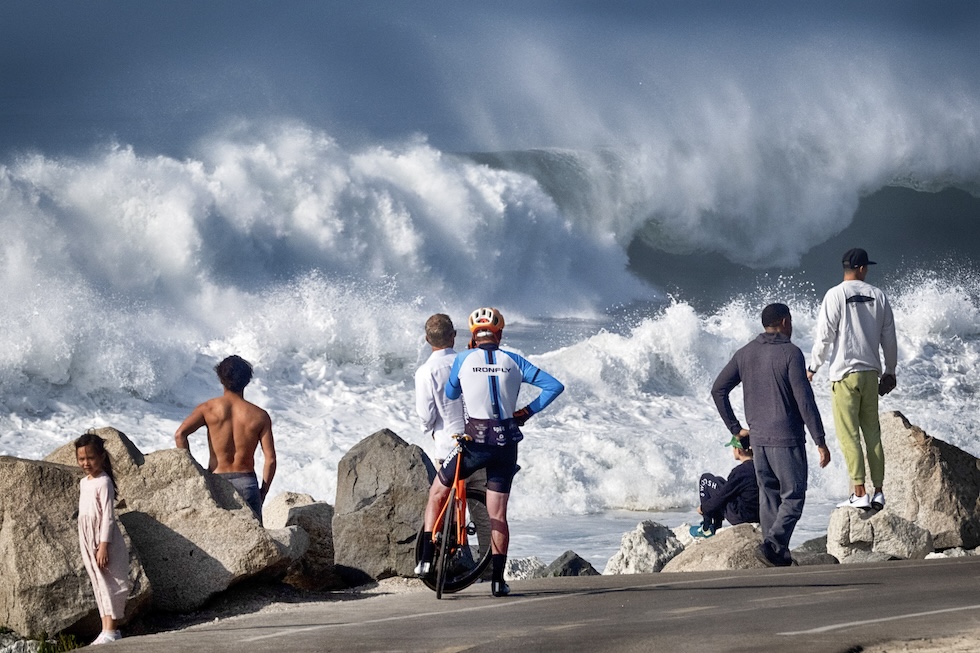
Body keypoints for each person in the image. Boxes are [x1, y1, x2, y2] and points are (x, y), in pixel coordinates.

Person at [415, 307, 564, 597]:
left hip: (475, 445)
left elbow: (450, 394)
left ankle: (425, 559)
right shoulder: (514, 360)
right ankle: (498, 581)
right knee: (498, 515)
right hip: (506, 446)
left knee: (437, 493)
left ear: (472, 335)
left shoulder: (463, 359)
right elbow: (554, 387)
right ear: (500, 333)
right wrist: (524, 412)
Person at [711, 303, 831, 567]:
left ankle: (776, 556)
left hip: (759, 441)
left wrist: (735, 429)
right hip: (786, 439)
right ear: (785, 322)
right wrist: (820, 440)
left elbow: (718, 390)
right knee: (794, 495)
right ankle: (772, 545)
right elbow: (805, 400)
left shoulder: (745, 353)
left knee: (770, 497)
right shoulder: (791, 353)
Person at [808, 248, 897, 511]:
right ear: (861, 268)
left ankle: (859, 492)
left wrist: (813, 366)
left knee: (849, 436)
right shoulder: (878, 296)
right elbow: (889, 338)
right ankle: (878, 492)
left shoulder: (834, 295)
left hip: (844, 375)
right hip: (870, 374)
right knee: (872, 433)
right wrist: (890, 371)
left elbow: (825, 336)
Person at [175, 355, 276, 524]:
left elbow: (180, 435)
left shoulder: (207, 409)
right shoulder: (259, 416)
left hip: (217, 482)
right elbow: (270, 460)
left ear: (221, 379)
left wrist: (192, 471)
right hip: (247, 483)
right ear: (247, 381)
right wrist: (263, 492)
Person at [75, 433, 131, 645]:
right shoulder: (84, 483)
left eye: (90, 458)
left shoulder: (104, 482)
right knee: (98, 583)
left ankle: (112, 628)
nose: (86, 463)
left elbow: (107, 516)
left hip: (104, 540)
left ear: (102, 457)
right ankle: (106, 630)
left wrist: (103, 546)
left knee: (111, 582)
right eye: (81, 459)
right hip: (88, 539)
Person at [414, 314, 466, 465]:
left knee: (445, 490)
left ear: (427, 339)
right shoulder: (470, 362)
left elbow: (426, 415)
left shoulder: (425, 372)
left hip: (447, 448)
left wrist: (428, 428)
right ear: (453, 335)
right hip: (480, 447)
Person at [690, 433, 760, 538]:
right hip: (758, 515)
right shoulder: (761, 468)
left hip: (741, 516)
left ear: (738, 450)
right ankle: (716, 526)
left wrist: (704, 508)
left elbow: (722, 496)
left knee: (706, 479)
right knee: (719, 480)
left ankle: (706, 527)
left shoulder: (740, 472)